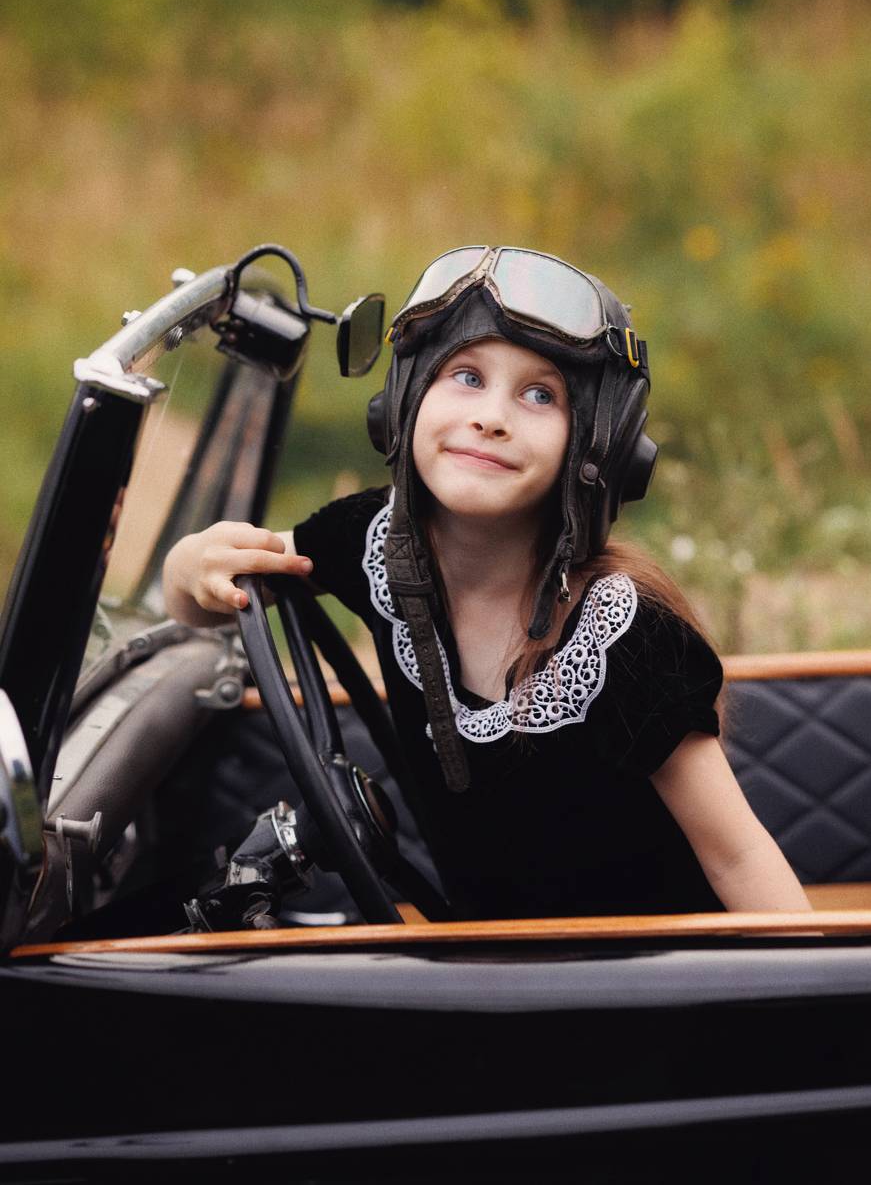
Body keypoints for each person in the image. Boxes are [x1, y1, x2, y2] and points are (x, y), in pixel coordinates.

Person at [164, 245, 810, 919]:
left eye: (540, 395)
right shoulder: (371, 540)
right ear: (406, 397)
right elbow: (217, 595)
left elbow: (736, 857)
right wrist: (189, 565)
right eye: (466, 376)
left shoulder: (627, 636)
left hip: (647, 969)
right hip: (488, 965)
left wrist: (810, 977)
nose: (492, 417)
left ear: (597, 444)